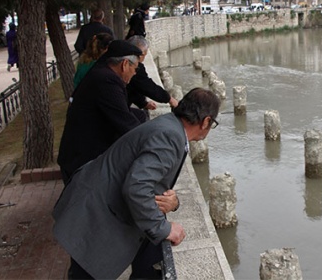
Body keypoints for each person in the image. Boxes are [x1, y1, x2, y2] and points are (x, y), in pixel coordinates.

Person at [53, 88, 220, 279]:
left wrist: (174, 202)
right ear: (206, 121)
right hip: (94, 213)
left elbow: (149, 180)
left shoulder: (169, 125)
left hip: (95, 201)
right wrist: (163, 228)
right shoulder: (170, 137)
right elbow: (137, 187)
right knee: (84, 274)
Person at [57, 40, 143, 185]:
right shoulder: (107, 81)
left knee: (140, 116)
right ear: (124, 64)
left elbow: (121, 111)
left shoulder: (102, 72)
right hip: (81, 163)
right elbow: (127, 124)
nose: (135, 73)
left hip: (80, 155)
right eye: (135, 68)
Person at [126, 36, 178, 113]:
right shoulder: (133, 66)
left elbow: (134, 86)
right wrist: (169, 99)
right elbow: (147, 86)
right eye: (144, 55)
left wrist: (143, 103)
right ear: (140, 54)